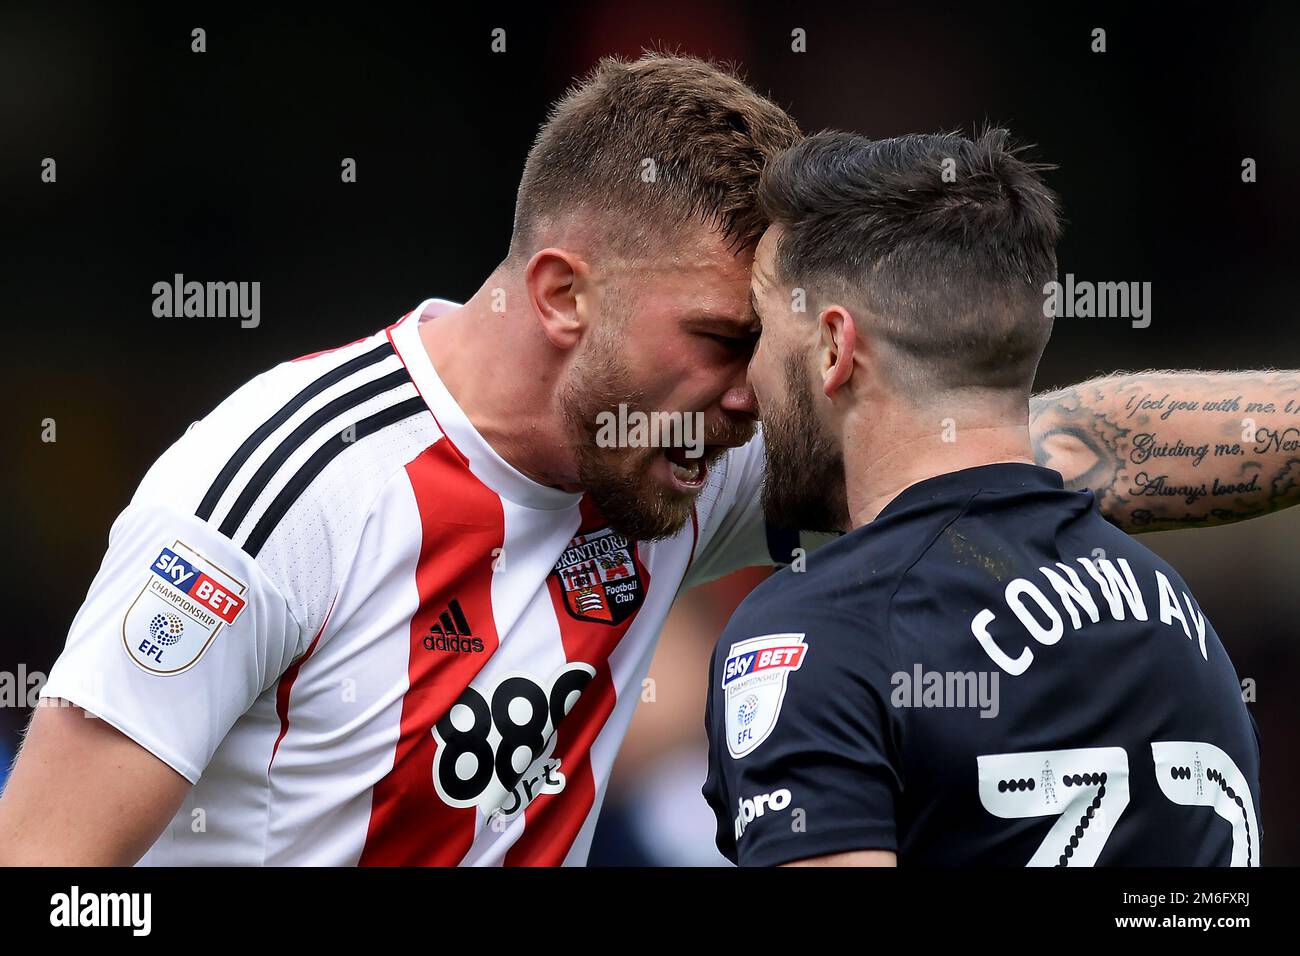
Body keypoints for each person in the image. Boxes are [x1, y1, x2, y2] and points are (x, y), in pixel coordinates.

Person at [0, 56, 1287, 867]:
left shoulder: (681, 456)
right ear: (563, 292)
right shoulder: (277, 497)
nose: (753, 396)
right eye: (723, 339)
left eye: (769, 346)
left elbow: (1052, 436)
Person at [703, 129, 1262, 866]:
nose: (744, 386)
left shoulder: (814, 634)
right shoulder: (1176, 616)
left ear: (835, 348)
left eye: (760, 331)